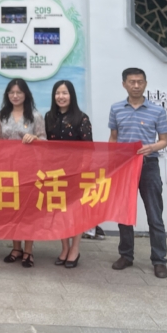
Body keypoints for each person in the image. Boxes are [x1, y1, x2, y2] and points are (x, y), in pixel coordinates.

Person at [109, 68, 167, 279]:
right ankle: (126, 255)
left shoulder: (157, 110)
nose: (136, 85)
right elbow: (113, 137)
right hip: (124, 167)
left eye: (140, 82)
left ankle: (159, 260)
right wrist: (112, 160)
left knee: (154, 214)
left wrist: (152, 147)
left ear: (145, 83)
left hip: (148, 165)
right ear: (124, 84)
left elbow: (164, 140)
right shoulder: (116, 109)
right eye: (132, 82)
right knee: (124, 213)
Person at [0, 78, 45, 268]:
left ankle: (28, 251)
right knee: (12, 208)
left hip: (29, 169)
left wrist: (35, 138)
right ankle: (16, 248)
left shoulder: (35, 116)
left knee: (28, 210)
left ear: (26, 94)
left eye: (19, 92)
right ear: (7, 95)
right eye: (12, 92)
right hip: (8, 169)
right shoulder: (2, 116)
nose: (15, 96)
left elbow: (45, 140)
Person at [44, 80, 93, 269]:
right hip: (55, 172)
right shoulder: (49, 117)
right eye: (58, 93)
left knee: (75, 212)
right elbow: (46, 144)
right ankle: (64, 247)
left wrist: (83, 171)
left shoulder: (81, 118)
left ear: (71, 95)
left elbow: (89, 149)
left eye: (65, 93)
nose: (61, 97)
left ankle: (75, 248)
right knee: (59, 212)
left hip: (76, 172)